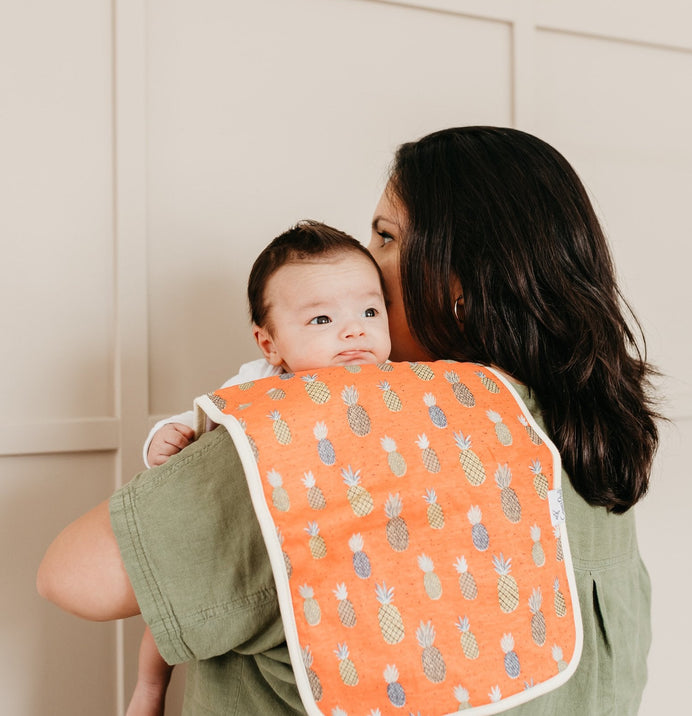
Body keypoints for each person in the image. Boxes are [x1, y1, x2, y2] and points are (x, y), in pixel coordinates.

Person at [38, 126, 659, 715]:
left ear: (458, 284)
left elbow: (72, 576)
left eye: (385, 238)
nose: (363, 261)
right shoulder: (592, 422)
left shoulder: (335, 422)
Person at [126, 220, 391, 715]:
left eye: (371, 311)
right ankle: (149, 688)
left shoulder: (395, 382)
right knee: (170, 600)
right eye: (321, 319)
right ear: (270, 344)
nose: (355, 329)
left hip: (330, 534)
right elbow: (199, 419)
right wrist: (165, 437)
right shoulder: (261, 382)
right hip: (250, 528)